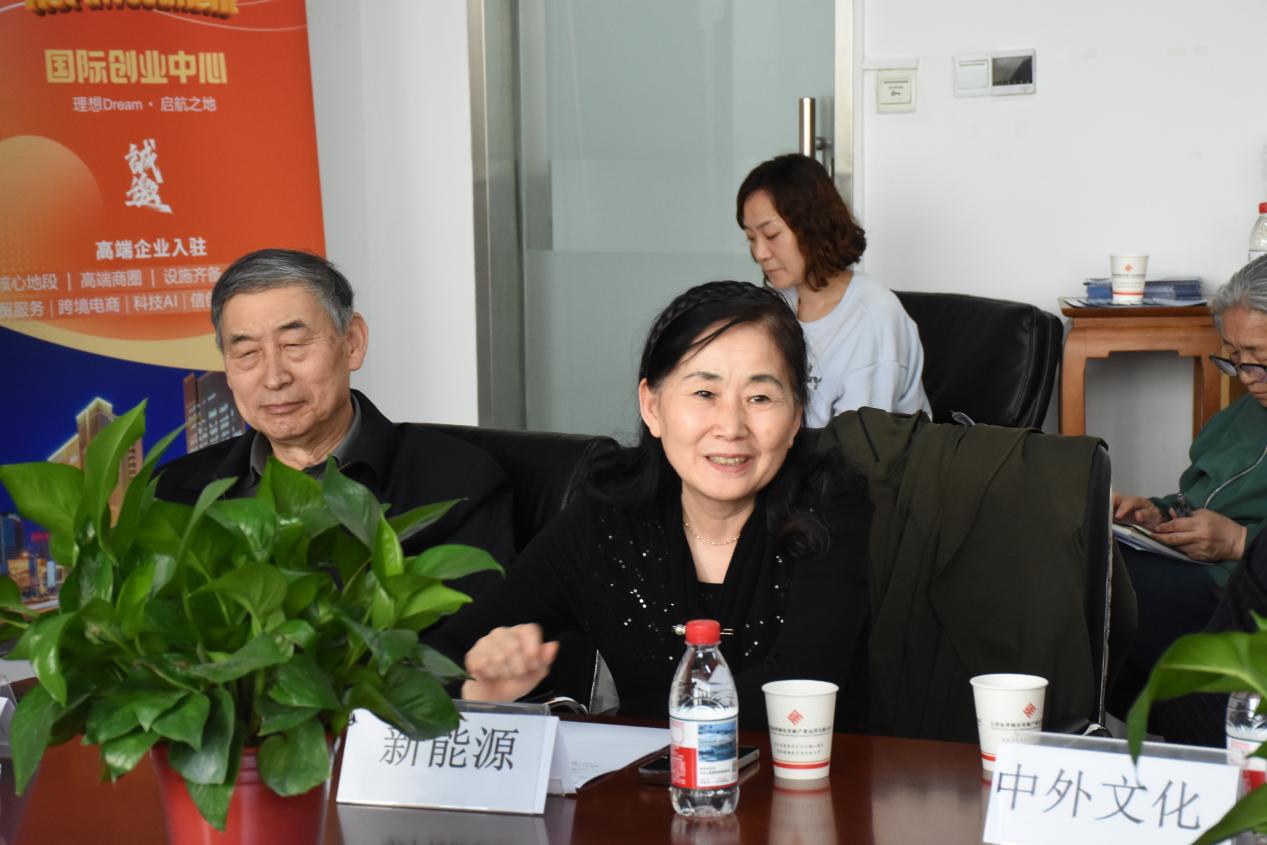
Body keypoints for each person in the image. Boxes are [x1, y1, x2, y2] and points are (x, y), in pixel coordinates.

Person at [428, 281, 871, 728]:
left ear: (795, 418)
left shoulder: (829, 508)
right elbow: (435, 662)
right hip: (650, 771)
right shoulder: (607, 518)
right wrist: (477, 691)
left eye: (759, 398)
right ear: (652, 406)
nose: (731, 426)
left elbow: (800, 687)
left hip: (806, 772)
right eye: (704, 394)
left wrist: (627, 722)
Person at [155, 248, 515, 586]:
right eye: (247, 352)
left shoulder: (456, 483)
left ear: (352, 342)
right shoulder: (170, 491)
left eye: (294, 345)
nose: (274, 378)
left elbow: (474, 627)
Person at [1110, 255, 1267, 715]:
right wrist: (1157, 514)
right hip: (1195, 575)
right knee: (1081, 556)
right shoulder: (1243, 415)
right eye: (1234, 358)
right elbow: (1203, 492)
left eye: (1261, 358)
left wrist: (1238, 542)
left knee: (1096, 584)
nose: (1247, 377)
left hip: (1239, 595)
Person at [736, 153, 930, 426]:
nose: (760, 253)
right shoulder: (779, 306)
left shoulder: (873, 318)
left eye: (771, 235)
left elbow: (860, 444)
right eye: (751, 238)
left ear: (813, 226)